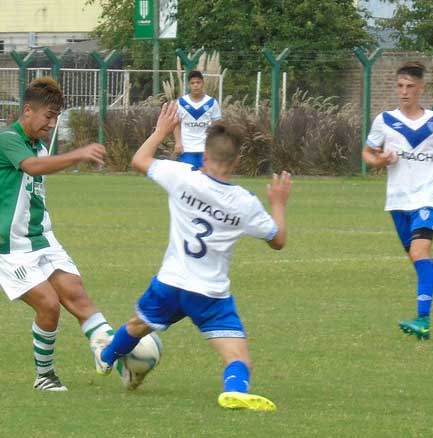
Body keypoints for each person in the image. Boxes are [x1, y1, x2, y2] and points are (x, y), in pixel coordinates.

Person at [95, 102, 291, 412]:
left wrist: (161, 131)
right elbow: (277, 240)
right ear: (237, 160)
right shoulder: (244, 203)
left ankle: (106, 359)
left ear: (204, 155)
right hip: (209, 294)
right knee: (238, 358)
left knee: (137, 325)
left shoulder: (181, 176)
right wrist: (278, 203)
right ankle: (235, 391)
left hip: (170, 285)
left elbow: (139, 160)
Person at [0, 77, 115, 391]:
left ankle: (111, 352)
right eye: (48, 116)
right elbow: (31, 167)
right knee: (49, 304)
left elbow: (38, 170)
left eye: (56, 118)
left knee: (76, 294)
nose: (53, 124)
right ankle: (45, 376)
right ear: (28, 110)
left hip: (41, 238)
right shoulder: (8, 141)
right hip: (7, 243)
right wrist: (79, 155)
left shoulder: (38, 145)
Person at [362, 62, 433, 340]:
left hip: (426, 199)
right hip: (397, 201)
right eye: (400, 86)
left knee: (419, 254)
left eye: (409, 87)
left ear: (421, 88)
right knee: (420, 260)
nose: (404, 92)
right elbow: (367, 153)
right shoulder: (384, 121)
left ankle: (423, 320)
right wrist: (379, 160)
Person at [174, 70, 222, 170]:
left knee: (207, 181)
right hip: (187, 149)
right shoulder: (181, 102)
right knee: (188, 181)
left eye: (198, 82)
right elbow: (176, 124)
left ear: (202, 83)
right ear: (189, 85)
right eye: (192, 83)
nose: (195, 85)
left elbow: (217, 125)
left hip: (206, 150)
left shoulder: (212, 103)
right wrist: (178, 142)